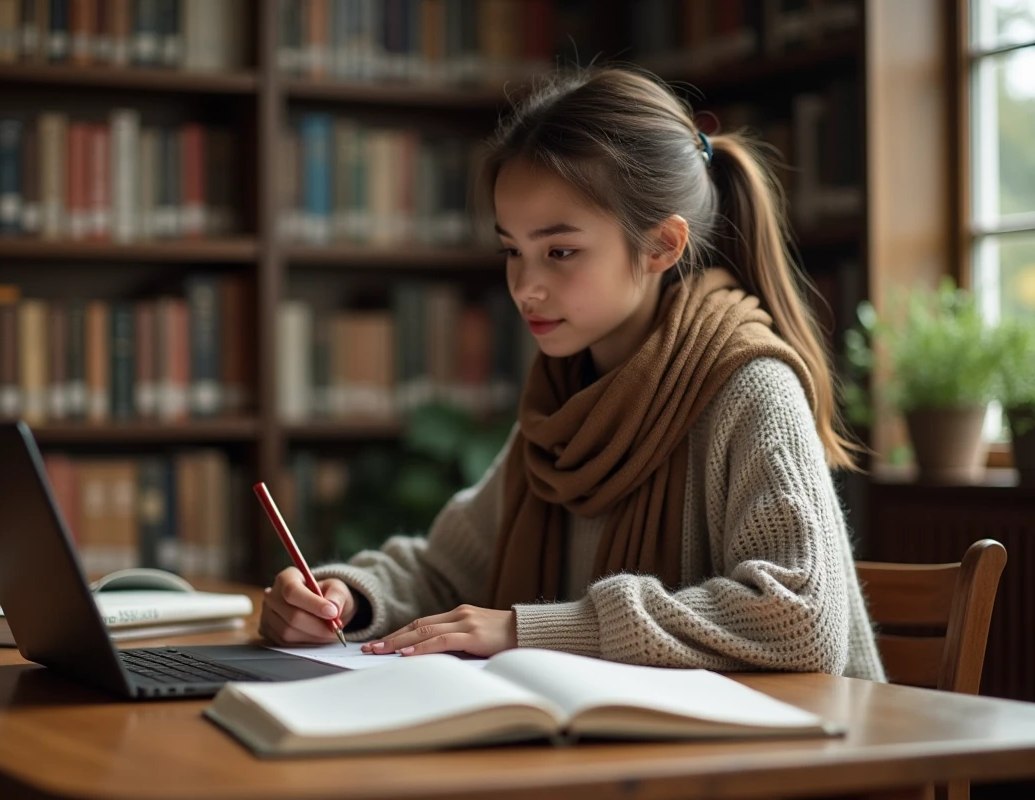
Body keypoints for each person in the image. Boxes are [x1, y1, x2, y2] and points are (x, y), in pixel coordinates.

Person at [259, 66, 885, 681]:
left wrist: (524, 630)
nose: (526, 287)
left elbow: (801, 619)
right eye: (513, 250)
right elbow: (448, 570)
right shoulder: (567, 393)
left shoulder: (751, 386)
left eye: (560, 252)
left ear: (661, 245)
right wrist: (345, 596)